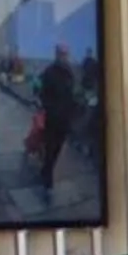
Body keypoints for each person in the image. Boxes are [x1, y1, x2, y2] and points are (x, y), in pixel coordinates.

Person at [35, 45, 80, 190]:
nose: (64, 56)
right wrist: (48, 107)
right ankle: (47, 177)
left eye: (66, 54)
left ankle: (46, 169)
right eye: (61, 54)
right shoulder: (49, 72)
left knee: (57, 148)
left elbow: (72, 93)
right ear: (56, 55)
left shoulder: (69, 73)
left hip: (65, 119)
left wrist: (73, 108)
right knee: (50, 147)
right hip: (53, 118)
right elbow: (42, 92)